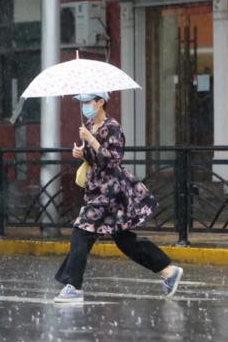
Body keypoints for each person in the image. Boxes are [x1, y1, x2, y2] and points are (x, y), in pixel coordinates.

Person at [53, 92, 183, 303]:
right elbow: (95, 159)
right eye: (82, 102)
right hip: (95, 189)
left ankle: (73, 286)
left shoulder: (112, 127)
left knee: (81, 232)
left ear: (101, 102)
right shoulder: (88, 124)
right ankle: (167, 270)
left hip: (110, 191)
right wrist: (81, 152)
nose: (84, 106)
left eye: (88, 102)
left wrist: (92, 141)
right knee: (124, 239)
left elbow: (113, 159)